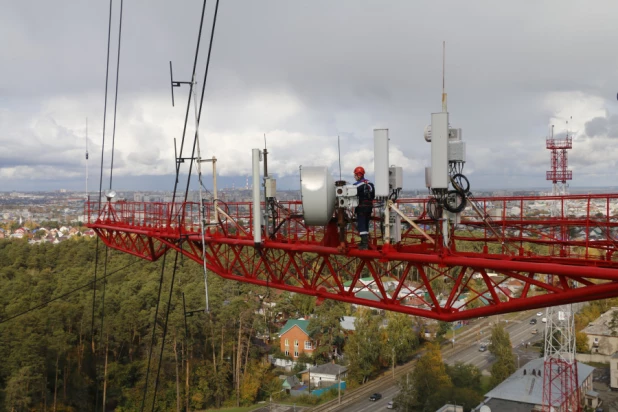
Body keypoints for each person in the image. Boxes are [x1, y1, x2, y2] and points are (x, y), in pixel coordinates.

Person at [353, 166, 374, 250]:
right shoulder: (371, 184)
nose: (354, 177)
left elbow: (351, 193)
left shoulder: (357, 185)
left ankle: (364, 244)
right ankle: (365, 242)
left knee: (362, 225)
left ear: (358, 175)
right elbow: (373, 195)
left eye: (355, 175)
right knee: (366, 224)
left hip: (361, 207)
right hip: (369, 207)